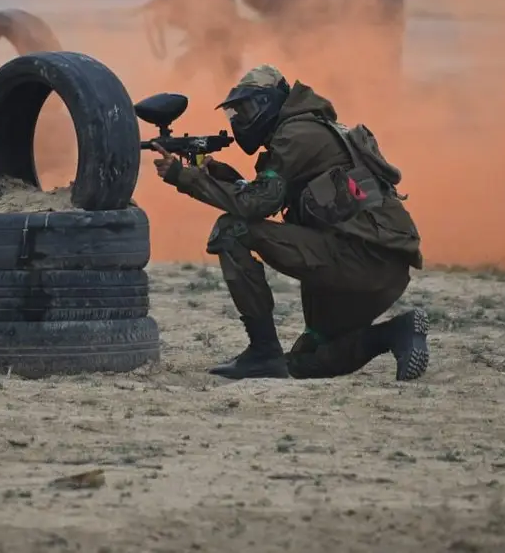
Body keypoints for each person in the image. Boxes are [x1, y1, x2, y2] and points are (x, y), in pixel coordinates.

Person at [150, 64, 429, 382]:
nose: (241, 120)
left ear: (271, 103)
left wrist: (182, 176)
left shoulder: (297, 135)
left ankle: (262, 351)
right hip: (378, 265)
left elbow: (255, 205)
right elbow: (269, 196)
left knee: (232, 230)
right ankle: (397, 332)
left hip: (360, 259)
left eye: (248, 109)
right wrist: (221, 175)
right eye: (237, 113)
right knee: (308, 360)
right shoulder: (312, 130)